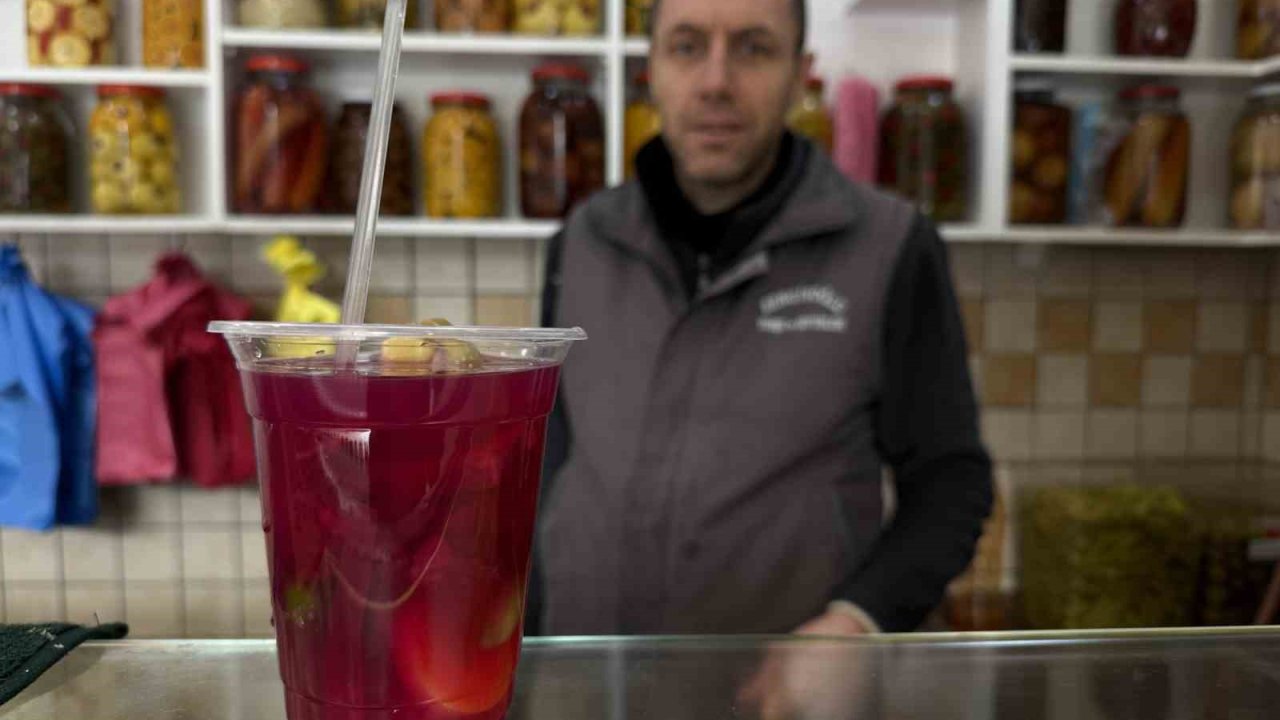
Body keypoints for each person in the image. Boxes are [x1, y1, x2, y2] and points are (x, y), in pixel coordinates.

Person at [529, 0, 992, 638]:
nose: (716, 82)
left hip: (780, 681)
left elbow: (950, 481)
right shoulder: (581, 241)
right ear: (651, 69)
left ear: (799, 75)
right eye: (687, 46)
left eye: (754, 48)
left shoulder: (891, 247)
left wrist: (858, 622)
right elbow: (548, 459)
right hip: (580, 671)